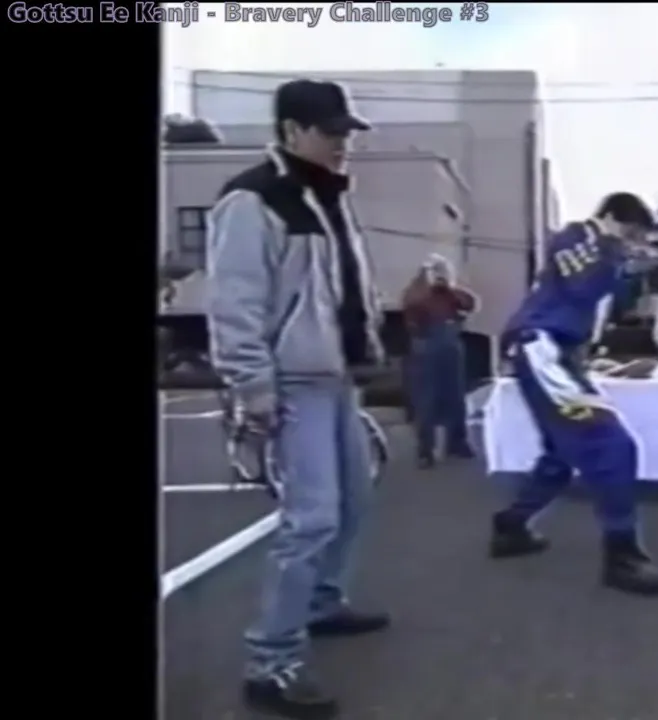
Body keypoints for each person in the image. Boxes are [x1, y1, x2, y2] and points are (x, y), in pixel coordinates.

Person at [206, 78, 387, 720]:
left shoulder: (325, 198)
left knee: (354, 502)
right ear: (291, 132)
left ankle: (320, 603)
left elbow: (345, 291)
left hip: (335, 378)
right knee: (311, 519)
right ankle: (271, 661)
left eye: (346, 133)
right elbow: (234, 301)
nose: (342, 144)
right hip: (294, 382)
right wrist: (252, 388)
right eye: (330, 132)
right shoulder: (255, 200)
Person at [489, 192, 658, 597]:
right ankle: (621, 554)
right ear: (610, 218)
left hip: (558, 354)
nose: (632, 242)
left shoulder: (604, 252)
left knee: (560, 453)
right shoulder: (577, 236)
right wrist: (616, 252)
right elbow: (580, 285)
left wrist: (636, 267)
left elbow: (612, 300)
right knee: (610, 443)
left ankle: (512, 525)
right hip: (541, 346)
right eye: (630, 232)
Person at [401, 254, 478, 467]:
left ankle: (456, 442)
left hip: (450, 345)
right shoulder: (417, 293)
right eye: (435, 271)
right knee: (426, 399)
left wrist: (450, 288)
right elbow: (412, 309)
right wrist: (427, 284)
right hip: (426, 345)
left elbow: (470, 303)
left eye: (442, 271)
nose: (439, 277)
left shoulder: (451, 295)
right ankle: (426, 450)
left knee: (455, 396)